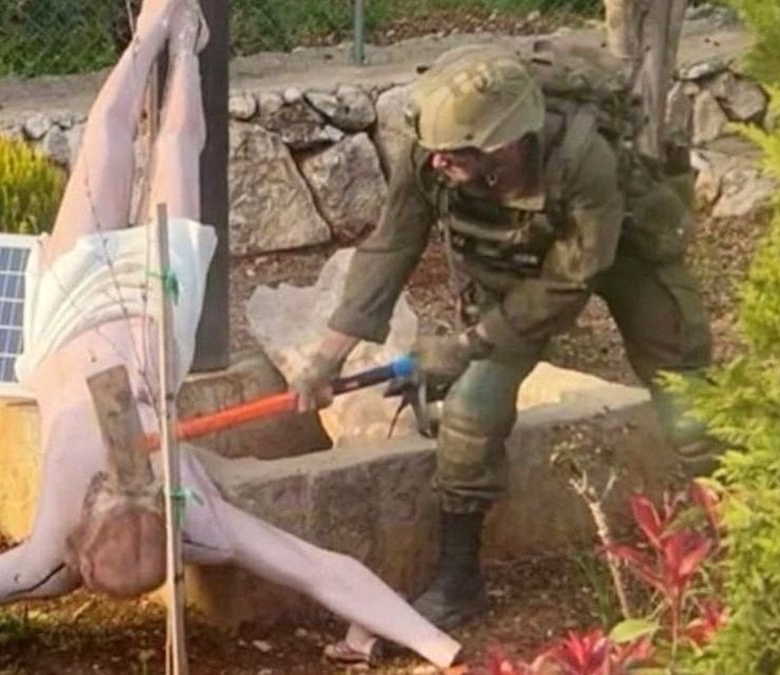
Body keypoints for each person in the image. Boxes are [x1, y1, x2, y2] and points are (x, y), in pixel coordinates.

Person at [0, 0, 462, 670]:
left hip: (71, 313)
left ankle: (166, 36)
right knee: (168, 149)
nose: (122, 477)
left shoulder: (60, 552)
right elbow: (322, 570)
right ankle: (173, 41)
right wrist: (438, 648)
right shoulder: (194, 524)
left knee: (115, 143)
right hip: (152, 308)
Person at [293, 43, 719, 634]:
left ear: (504, 144)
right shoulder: (431, 153)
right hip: (519, 271)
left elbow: (572, 278)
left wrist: (465, 344)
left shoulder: (584, 158)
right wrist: (326, 358)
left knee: (684, 393)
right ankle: (459, 581)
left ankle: (737, 534)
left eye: (454, 153)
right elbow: (391, 246)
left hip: (622, 252)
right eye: (435, 150)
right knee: (472, 409)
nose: (437, 161)